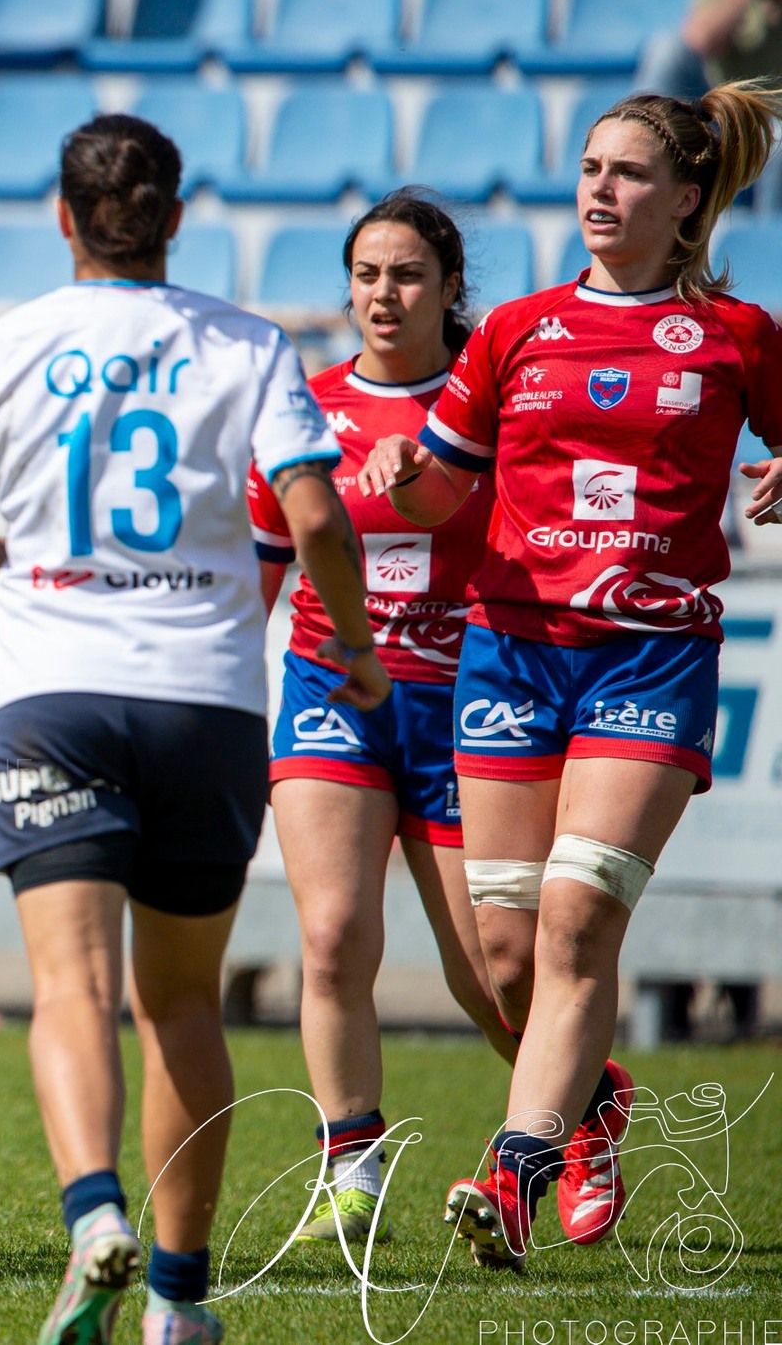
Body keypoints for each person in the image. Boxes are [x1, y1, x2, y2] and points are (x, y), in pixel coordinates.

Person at [0, 113, 391, 1345]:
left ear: (60, 219)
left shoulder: (2, 344)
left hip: (52, 692)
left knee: (68, 985)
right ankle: (176, 1301)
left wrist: (45, 562)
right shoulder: (248, 343)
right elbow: (319, 522)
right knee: (178, 1005)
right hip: (205, 701)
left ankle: (91, 1216)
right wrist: (361, 652)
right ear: (174, 217)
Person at [358, 82, 782, 1270]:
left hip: (648, 659)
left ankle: (512, 1166)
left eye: (629, 174)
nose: (599, 189)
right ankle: (591, 1108)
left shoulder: (739, 338)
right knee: (503, 966)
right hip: (507, 652)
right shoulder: (513, 333)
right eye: (590, 168)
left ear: (686, 199)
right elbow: (445, 487)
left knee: (576, 916)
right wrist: (404, 476)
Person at [246, 191, 514, 1247]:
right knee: (330, 935)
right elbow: (262, 569)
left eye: (405, 275)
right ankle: (348, 1175)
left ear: (450, 288)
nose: (381, 295)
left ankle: (580, 1109)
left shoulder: (489, 402)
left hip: (467, 703)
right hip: (329, 689)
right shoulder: (304, 410)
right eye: (365, 275)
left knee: (491, 972)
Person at [637, 0, 782, 105]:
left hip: (776, 108)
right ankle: (643, 123)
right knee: (668, 50)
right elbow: (700, 39)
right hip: (725, 103)